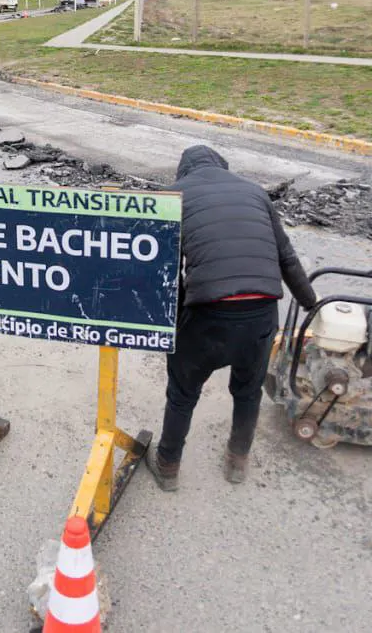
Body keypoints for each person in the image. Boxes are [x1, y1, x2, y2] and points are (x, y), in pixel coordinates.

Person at [146, 145, 318, 491]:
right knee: (248, 392)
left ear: (183, 171)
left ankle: (167, 466)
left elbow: (164, 270)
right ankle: (237, 461)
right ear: (222, 167)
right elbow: (286, 256)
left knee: (182, 394)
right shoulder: (255, 192)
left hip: (207, 316)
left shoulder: (172, 196)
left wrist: (174, 322)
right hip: (261, 314)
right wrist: (310, 303)